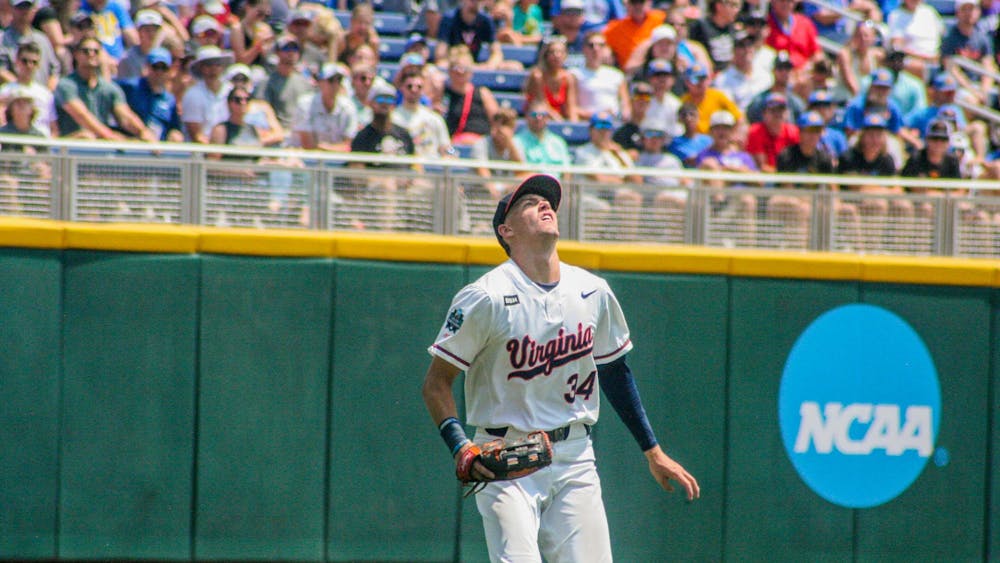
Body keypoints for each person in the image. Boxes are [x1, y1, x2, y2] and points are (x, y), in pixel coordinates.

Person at [421, 172, 700, 561]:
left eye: (548, 200)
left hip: (575, 457)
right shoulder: (484, 297)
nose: (544, 204)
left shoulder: (592, 291)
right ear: (507, 230)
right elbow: (437, 382)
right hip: (504, 457)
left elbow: (614, 372)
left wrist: (652, 450)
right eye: (528, 203)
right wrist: (460, 446)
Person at [54, 37, 154, 141]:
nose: (91, 54)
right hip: (70, 147)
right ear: (76, 55)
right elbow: (81, 115)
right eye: (86, 51)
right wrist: (109, 136)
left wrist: (143, 131)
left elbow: (125, 116)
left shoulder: (109, 88)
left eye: (96, 51)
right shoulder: (65, 85)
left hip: (101, 146)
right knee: (86, 136)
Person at [116, 47, 184, 142]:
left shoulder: (170, 99)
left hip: (158, 148)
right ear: (147, 67)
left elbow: (174, 128)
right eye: (155, 67)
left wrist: (175, 135)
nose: (159, 72)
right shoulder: (131, 87)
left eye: (163, 68)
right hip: (133, 143)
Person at [900, 119, 963, 220]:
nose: (938, 143)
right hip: (917, 205)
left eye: (943, 139)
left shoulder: (952, 161)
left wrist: (936, 195)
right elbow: (914, 190)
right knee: (926, 208)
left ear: (948, 143)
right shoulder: (916, 158)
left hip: (944, 204)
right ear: (927, 139)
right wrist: (943, 195)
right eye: (934, 138)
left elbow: (959, 190)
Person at [294, 62, 357, 152]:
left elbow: (348, 146)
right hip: (306, 160)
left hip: (337, 161)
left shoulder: (348, 107)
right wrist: (334, 149)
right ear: (320, 82)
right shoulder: (305, 104)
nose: (335, 85)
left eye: (339, 80)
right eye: (331, 80)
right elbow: (308, 145)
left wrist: (325, 147)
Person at [254, 34, 312, 133]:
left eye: (294, 49)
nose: (291, 52)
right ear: (277, 52)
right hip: (277, 134)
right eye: (286, 48)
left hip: (301, 134)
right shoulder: (266, 83)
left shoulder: (305, 83)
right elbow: (260, 112)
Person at [392, 66, 454, 158]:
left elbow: (446, 149)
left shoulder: (434, 119)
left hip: (430, 168)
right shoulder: (393, 118)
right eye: (409, 86)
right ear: (402, 87)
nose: (414, 90)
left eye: (419, 87)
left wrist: (449, 155)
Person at [442, 45, 498, 145]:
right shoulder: (442, 92)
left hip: (480, 144)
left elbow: (496, 121)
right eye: (455, 67)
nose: (460, 71)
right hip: (451, 145)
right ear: (449, 70)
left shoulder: (482, 93)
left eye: (464, 68)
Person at [0, 0, 61, 90]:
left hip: (41, 96)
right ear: (11, 9)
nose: (24, 12)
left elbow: (54, 71)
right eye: (20, 8)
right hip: (13, 95)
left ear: (34, 10)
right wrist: (23, 88)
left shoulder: (42, 39)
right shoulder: (2, 39)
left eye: (28, 8)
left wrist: (46, 93)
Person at [0, 40, 56, 136]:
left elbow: (53, 128)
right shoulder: (5, 91)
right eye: (25, 61)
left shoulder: (45, 94)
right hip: (11, 143)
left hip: (41, 145)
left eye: (34, 62)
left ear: (38, 65)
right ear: (16, 62)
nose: (29, 66)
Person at [181, 45, 234, 143]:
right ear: (201, 68)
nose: (213, 68)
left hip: (229, 148)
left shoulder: (231, 90)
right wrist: (216, 152)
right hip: (202, 153)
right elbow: (197, 135)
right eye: (208, 64)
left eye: (217, 64)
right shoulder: (192, 95)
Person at [572, 30, 629, 121]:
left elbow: (625, 106)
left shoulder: (617, 75)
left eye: (601, 45)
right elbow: (572, 108)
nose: (596, 49)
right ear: (583, 48)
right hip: (588, 125)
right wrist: (599, 115)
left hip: (613, 125)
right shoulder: (575, 74)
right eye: (591, 45)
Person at [523, 35, 580, 121]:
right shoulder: (538, 76)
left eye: (560, 52)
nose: (557, 56)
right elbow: (542, 104)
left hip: (559, 119)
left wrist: (573, 124)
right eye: (552, 52)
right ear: (546, 55)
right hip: (538, 119)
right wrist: (560, 122)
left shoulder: (568, 77)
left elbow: (571, 106)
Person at [436, 0, 504, 68]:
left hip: (474, 65)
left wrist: (489, 66)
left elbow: (496, 53)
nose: (477, 3)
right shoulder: (449, 19)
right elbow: (440, 55)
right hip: (453, 65)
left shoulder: (486, 20)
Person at [604, 0, 667, 69]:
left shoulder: (661, 19)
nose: (637, 6)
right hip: (630, 73)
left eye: (641, 2)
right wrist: (606, 49)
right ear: (627, 5)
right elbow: (599, 40)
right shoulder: (615, 28)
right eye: (633, 3)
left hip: (659, 69)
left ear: (649, 3)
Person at [745, 92, 799, 172]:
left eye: (781, 110)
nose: (777, 114)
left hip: (788, 177)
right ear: (764, 114)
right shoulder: (756, 131)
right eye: (773, 110)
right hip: (765, 179)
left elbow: (797, 161)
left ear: (787, 113)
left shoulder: (793, 132)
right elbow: (761, 166)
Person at [764, 0, 822, 72]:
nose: (786, 4)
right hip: (777, 72)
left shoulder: (804, 23)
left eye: (790, 1)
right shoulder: (765, 25)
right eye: (782, 1)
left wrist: (808, 68)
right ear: (773, 2)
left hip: (804, 73)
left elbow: (817, 53)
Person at [514, 101, 573, 167]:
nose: (539, 118)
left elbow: (567, 172)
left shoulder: (558, 142)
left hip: (555, 177)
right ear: (526, 116)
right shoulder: (516, 142)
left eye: (543, 115)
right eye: (534, 114)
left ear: (548, 118)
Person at [686, 0, 741, 72]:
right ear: (719, 6)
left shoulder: (733, 29)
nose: (737, 10)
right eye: (733, 5)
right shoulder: (700, 27)